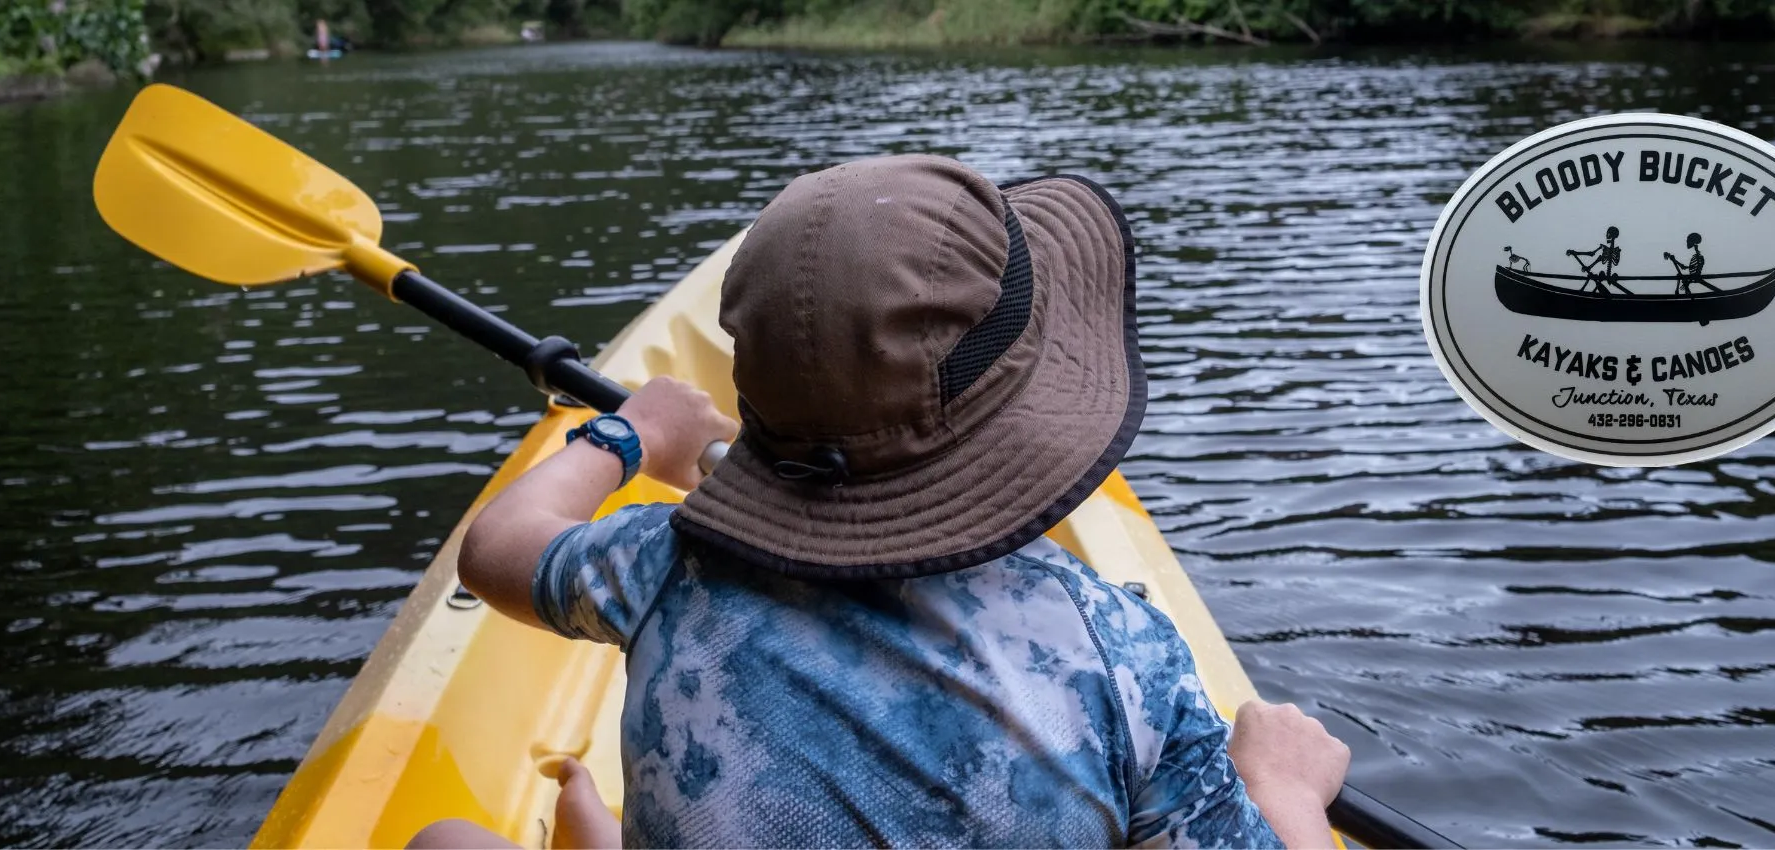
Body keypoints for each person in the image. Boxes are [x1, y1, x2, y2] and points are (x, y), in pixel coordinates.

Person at [421, 155, 1352, 848]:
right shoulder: (1124, 656)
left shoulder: (665, 563)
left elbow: (496, 546)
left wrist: (633, 436)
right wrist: (1288, 790)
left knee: (446, 843)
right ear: (1033, 414)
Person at [1566, 226, 1625, 293]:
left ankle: (1589, 268)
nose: (1606, 235)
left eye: (1608, 234)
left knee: (1600, 259)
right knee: (1600, 262)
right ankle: (1589, 268)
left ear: (1611, 235)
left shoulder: (1615, 250)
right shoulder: (1608, 248)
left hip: (1610, 277)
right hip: (1604, 276)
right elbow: (1592, 254)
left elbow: (1592, 253)